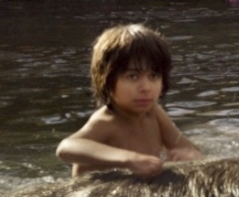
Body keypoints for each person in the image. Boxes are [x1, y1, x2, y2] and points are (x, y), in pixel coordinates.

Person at [56, 23, 204, 179]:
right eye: (132, 76)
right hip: (94, 196)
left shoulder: (154, 113)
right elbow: (66, 148)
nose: (146, 87)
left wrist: (189, 154)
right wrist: (130, 159)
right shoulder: (107, 121)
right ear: (106, 80)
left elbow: (187, 148)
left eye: (153, 76)